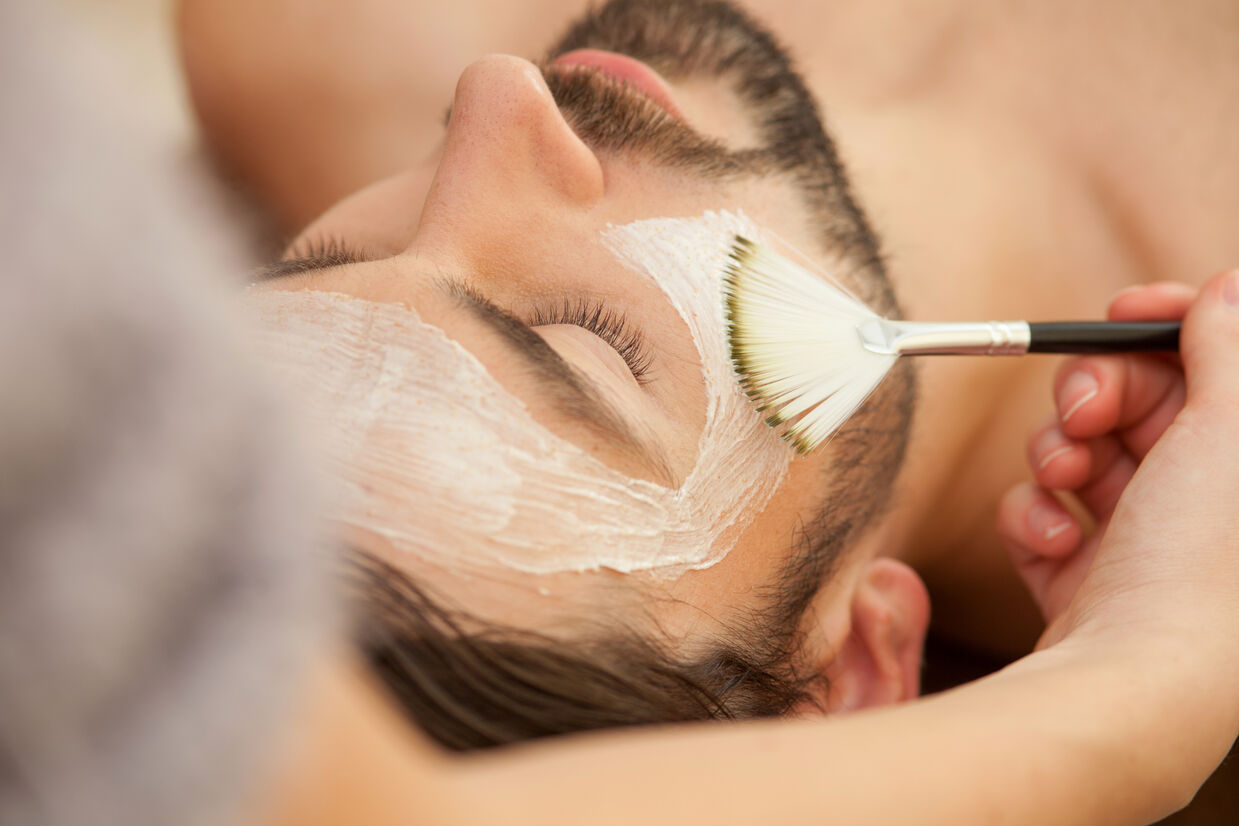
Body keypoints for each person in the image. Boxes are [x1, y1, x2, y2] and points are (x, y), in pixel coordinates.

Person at [177, 0, 1239, 753]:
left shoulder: (321, 35)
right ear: (845, 683)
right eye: (579, 338)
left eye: (332, 264)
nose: (499, 101)